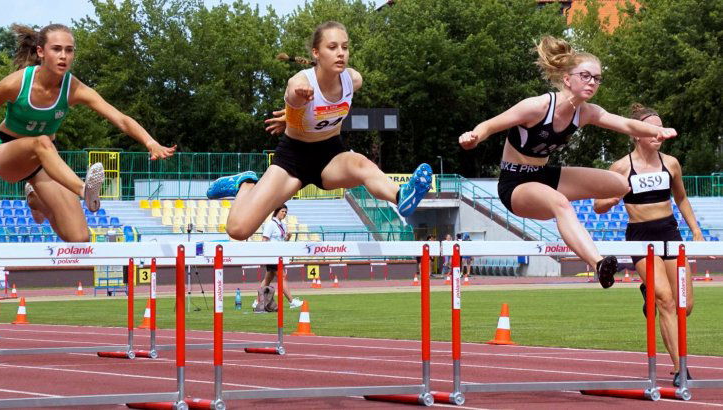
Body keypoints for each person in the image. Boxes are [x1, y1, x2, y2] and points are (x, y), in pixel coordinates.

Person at [457, 35, 677, 289]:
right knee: (560, 203)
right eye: (585, 76)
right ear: (566, 79)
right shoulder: (537, 107)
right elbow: (490, 125)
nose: (592, 82)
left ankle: (560, 214)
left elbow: (626, 124)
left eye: (597, 78)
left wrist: (656, 132)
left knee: (620, 185)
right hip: (515, 183)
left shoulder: (586, 112)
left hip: (544, 175)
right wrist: (473, 136)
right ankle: (598, 263)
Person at [206, 21, 432, 241]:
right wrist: (296, 101)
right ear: (316, 52)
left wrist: (293, 117)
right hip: (292, 160)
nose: (341, 53)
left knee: (361, 164)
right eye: (332, 47)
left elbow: (319, 111)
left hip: (331, 154)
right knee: (238, 230)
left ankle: (402, 196)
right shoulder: (300, 82)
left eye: (345, 47)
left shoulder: (353, 80)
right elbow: (292, 96)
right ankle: (245, 184)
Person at [0, 24, 175, 242]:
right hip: (8, 154)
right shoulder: (16, 84)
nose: (63, 56)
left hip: (44, 161)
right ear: (41, 52)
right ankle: (84, 190)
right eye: (56, 49)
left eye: (69, 50)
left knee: (79, 237)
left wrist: (149, 141)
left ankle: (37, 201)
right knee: (42, 141)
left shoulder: (74, 88)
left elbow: (120, 118)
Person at [593, 103, 701, 387]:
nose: (658, 134)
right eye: (652, 129)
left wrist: (696, 232)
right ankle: (681, 369)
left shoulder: (672, 163)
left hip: (670, 232)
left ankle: (647, 292)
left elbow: (682, 199)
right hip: (641, 237)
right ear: (637, 134)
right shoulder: (620, 166)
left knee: (684, 305)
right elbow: (597, 206)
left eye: (660, 129)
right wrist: (614, 197)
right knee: (665, 301)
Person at [252, 204, 303, 310]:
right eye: (282, 211)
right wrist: (264, 255)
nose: (284, 214)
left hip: (279, 255)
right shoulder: (270, 224)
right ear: (277, 212)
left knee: (267, 280)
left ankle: (257, 301)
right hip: (271, 255)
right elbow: (265, 239)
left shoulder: (283, 225)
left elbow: (282, 241)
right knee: (282, 276)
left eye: (285, 212)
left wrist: (287, 238)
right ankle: (291, 301)